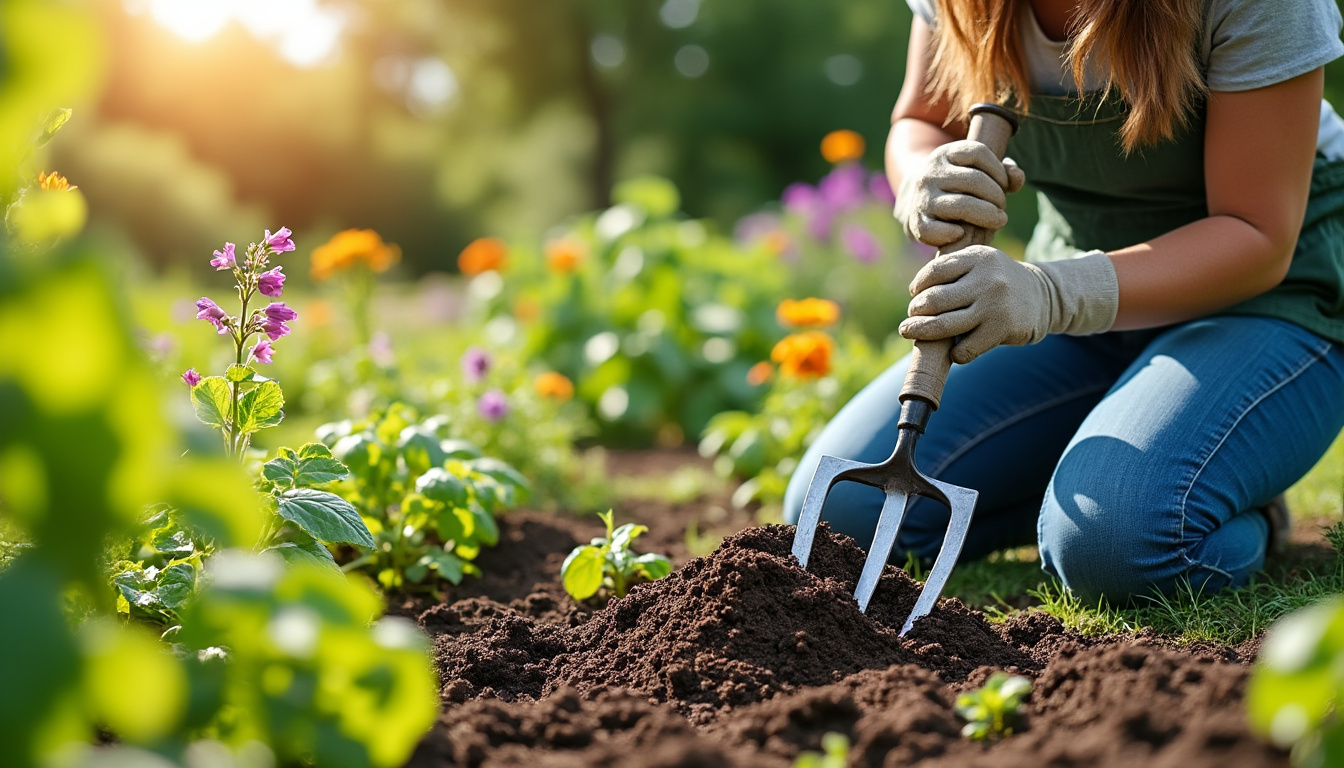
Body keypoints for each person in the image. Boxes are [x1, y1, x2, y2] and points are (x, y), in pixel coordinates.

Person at [783, 0, 1344, 604]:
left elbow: (1257, 236)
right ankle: (1133, 474)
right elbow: (923, 119)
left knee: (1114, 547)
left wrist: (1049, 293)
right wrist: (920, 173)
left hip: (1272, 301)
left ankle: (1208, 502)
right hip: (1082, 295)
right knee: (843, 511)